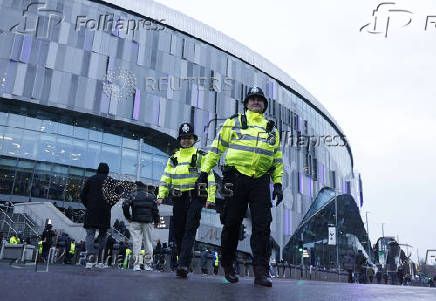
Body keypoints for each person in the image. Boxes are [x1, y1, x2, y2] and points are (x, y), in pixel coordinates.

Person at [199, 86, 283, 287]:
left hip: (261, 180)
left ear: (264, 105)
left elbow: (277, 159)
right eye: (252, 99)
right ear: (246, 103)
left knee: (263, 226)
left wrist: (278, 183)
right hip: (234, 177)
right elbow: (216, 147)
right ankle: (228, 265)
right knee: (231, 222)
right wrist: (204, 170)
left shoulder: (271, 129)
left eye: (260, 100)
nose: (256, 102)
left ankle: (261, 272)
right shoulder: (234, 122)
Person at [157, 122, 216, 278]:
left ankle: (183, 265)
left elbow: (209, 176)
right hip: (178, 197)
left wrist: (210, 197)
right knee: (178, 231)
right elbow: (166, 177)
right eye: (183, 138)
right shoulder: (173, 158)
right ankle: (181, 261)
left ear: (193, 139)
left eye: (189, 138)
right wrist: (161, 195)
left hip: (196, 197)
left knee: (190, 228)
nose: (186, 141)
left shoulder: (201, 155)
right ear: (180, 140)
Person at [80, 162, 114, 269]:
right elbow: (116, 195)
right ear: (107, 171)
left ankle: (89, 261)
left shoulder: (90, 179)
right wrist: (109, 205)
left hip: (92, 210)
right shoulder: (111, 181)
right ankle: (100, 261)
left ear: (98, 169)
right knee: (103, 236)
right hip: (104, 211)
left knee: (90, 234)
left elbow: (82, 195)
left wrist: (88, 205)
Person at [122, 181, 159, 271]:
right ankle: (148, 265)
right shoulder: (151, 196)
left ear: (137, 187)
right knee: (148, 243)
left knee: (137, 242)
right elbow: (155, 210)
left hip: (135, 221)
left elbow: (125, 205)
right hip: (147, 222)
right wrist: (156, 221)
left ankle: (137, 265)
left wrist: (128, 217)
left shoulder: (133, 195)